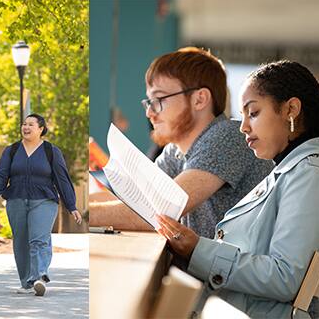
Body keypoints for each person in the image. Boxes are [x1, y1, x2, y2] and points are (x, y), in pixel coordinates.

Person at [156, 60, 319, 318]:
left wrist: (197, 249)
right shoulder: (288, 171)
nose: (243, 126)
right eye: (243, 115)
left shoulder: (312, 176)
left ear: (291, 109)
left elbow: (285, 277)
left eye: (253, 113)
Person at [90, 47, 272, 238]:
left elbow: (155, 213)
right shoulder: (174, 151)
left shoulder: (227, 136)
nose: (149, 113)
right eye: (149, 102)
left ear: (199, 99)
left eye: (159, 99)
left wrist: (85, 214)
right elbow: (132, 197)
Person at [0, 114, 80, 296]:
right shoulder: (12, 150)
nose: (26, 127)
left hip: (44, 201)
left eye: (31, 124)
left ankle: (39, 277)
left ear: (41, 129)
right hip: (16, 200)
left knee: (38, 239)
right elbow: (0, 173)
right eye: (24, 124)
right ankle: (26, 283)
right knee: (21, 242)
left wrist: (71, 205)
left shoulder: (51, 151)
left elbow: (62, 179)